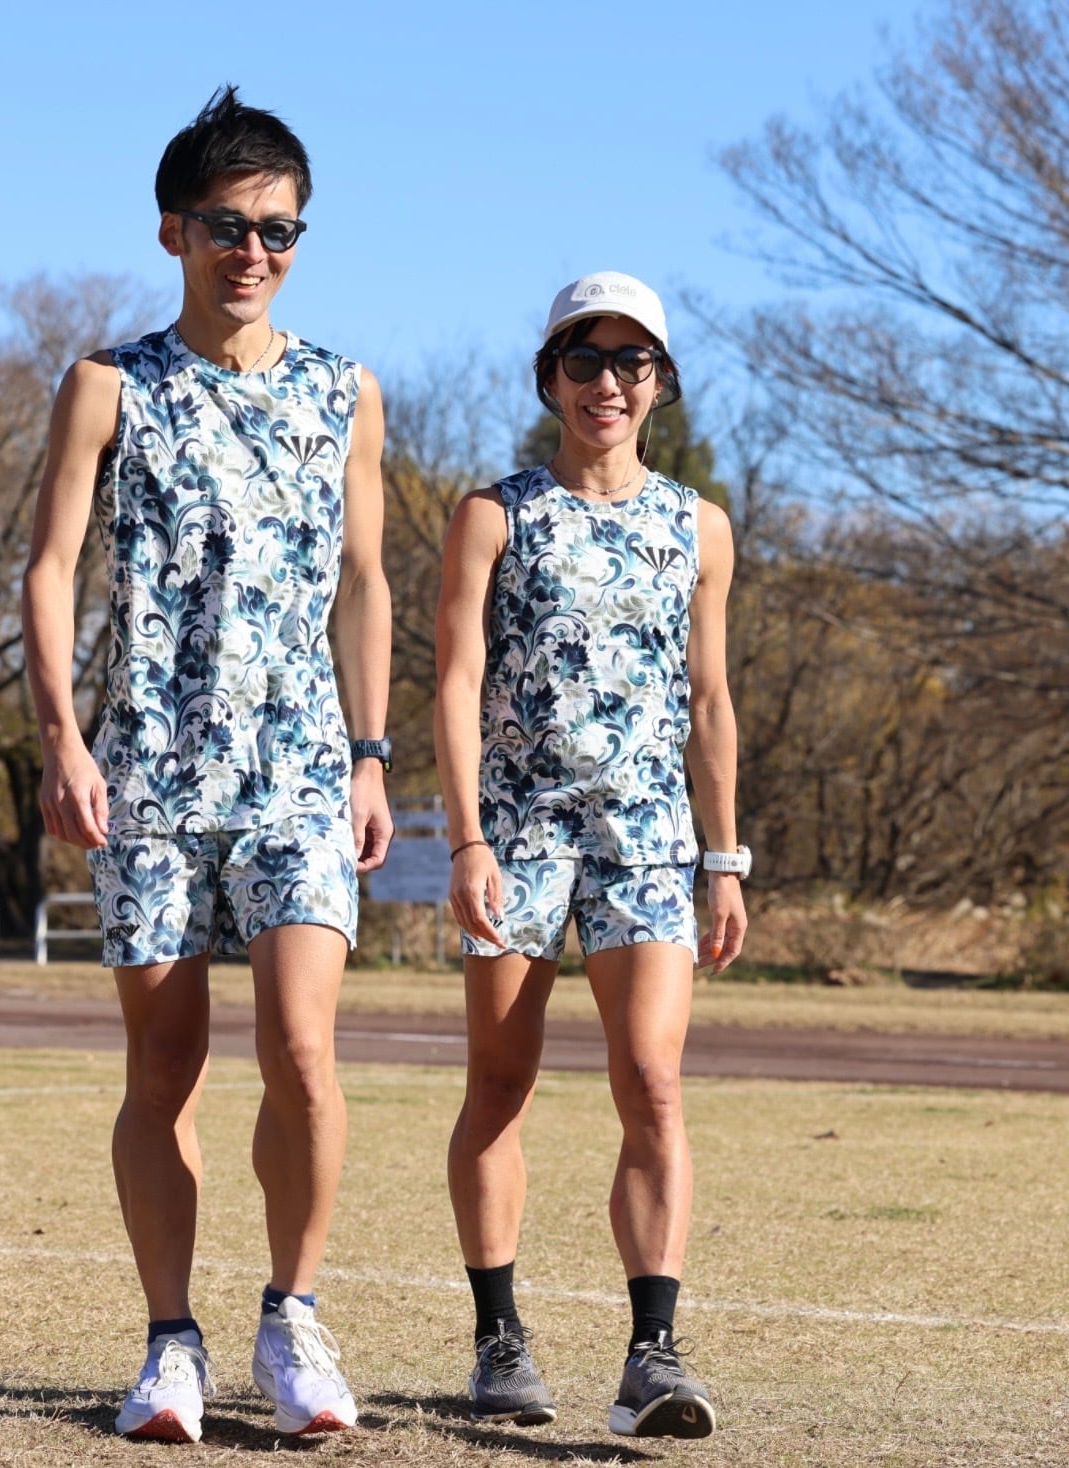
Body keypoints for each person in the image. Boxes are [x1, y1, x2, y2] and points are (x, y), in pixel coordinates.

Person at [22, 86, 393, 1444]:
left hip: (301, 770)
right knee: (163, 1064)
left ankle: (293, 1317)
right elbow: (50, 569)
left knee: (302, 1049)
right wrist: (62, 737)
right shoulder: (108, 385)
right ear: (173, 229)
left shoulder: (346, 391)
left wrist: (370, 754)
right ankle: (169, 1341)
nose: (253, 251)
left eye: (279, 229)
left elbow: (365, 581)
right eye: (229, 224)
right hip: (149, 777)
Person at [434, 271, 748, 1440]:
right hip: (517, 831)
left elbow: (708, 699)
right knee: (499, 1081)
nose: (605, 382)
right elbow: (456, 681)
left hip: (648, 838)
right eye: (583, 359)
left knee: (652, 1082)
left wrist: (725, 857)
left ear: (659, 381)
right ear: (549, 378)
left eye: (630, 361)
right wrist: (466, 835)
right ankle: (498, 1338)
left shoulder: (698, 525)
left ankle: (652, 1355)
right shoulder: (493, 513)